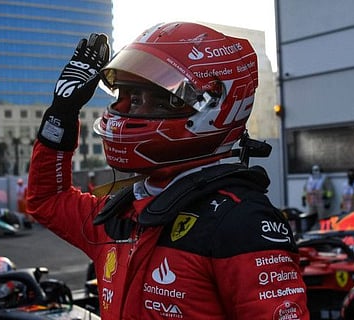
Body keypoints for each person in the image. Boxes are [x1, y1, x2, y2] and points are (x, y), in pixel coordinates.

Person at [27, 23, 309, 319]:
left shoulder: (241, 222)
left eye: (150, 99)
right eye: (128, 97)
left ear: (213, 108)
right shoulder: (121, 214)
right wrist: (61, 114)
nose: (127, 111)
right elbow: (46, 200)